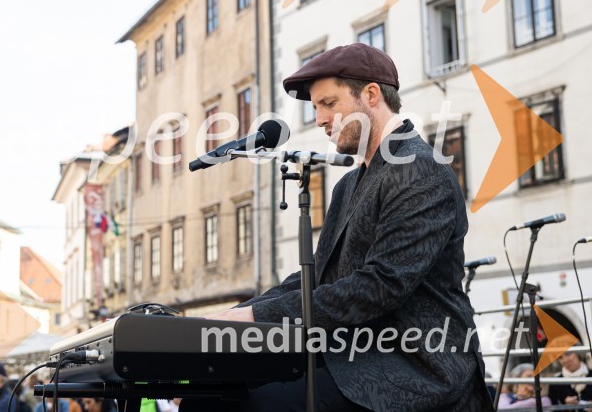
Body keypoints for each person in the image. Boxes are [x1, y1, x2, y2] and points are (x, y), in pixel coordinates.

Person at [182, 44, 493, 412]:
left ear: (371, 95)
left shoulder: (419, 170)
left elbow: (379, 287)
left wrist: (252, 318)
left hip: (416, 368)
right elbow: (317, 279)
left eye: (328, 103)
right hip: (352, 356)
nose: (319, 119)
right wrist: (231, 316)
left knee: (242, 404)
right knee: (208, 389)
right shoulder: (348, 185)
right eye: (315, 107)